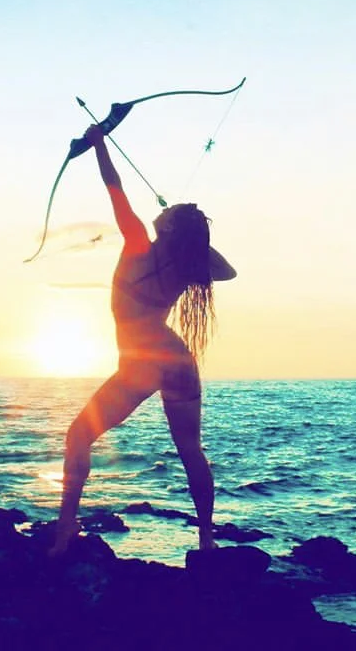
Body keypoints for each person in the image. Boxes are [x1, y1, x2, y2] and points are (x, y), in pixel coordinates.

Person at [50, 124, 237, 556]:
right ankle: (206, 539)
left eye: (170, 215)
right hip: (177, 360)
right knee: (190, 450)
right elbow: (226, 271)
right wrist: (192, 241)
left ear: (169, 230)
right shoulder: (187, 265)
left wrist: (99, 143)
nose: (163, 212)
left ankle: (65, 531)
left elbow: (114, 189)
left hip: (141, 362)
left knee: (78, 436)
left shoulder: (138, 242)